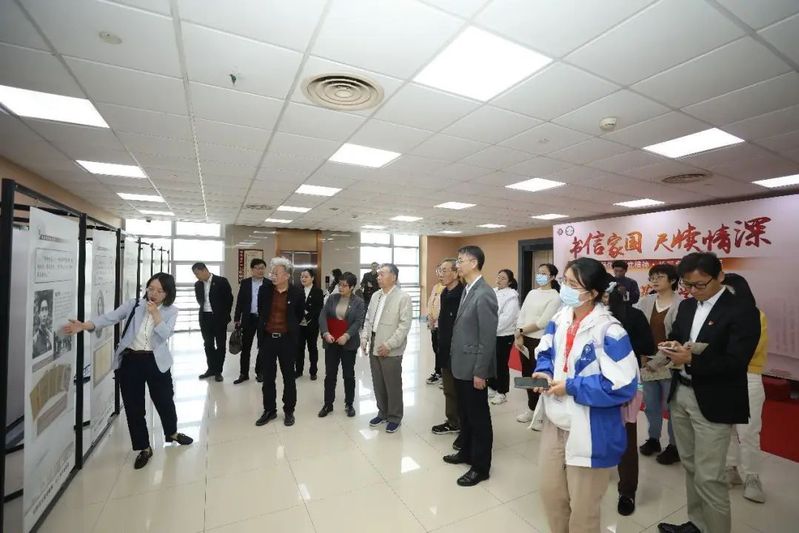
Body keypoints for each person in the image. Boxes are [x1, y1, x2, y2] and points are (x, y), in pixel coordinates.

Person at [532, 257, 638, 533]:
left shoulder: (610, 331)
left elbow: (623, 385)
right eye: (564, 281)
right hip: (555, 421)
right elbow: (545, 351)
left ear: (591, 294)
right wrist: (543, 372)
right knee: (551, 495)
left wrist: (572, 386)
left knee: (584, 510)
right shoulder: (560, 319)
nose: (565, 288)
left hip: (591, 428)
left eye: (572, 284)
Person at [657, 253, 760, 533]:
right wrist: (672, 346)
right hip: (681, 393)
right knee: (690, 466)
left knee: (710, 477)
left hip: (714, 399)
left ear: (720, 277)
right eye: (687, 285)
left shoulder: (741, 310)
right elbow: (678, 334)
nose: (692, 291)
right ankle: (698, 524)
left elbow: (736, 362)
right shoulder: (688, 306)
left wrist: (691, 359)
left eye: (699, 285)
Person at [62, 273, 192, 469]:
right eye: (151, 288)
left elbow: (165, 334)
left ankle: (172, 432)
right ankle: (144, 447)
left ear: (168, 293)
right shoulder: (134, 305)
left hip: (156, 362)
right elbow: (110, 317)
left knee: (165, 400)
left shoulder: (171, 311)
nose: (154, 293)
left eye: (159, 291)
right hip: (131, 360)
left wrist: (156, 315)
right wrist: (85, 325)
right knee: (133, 407)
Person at [443, 245, 498, 487]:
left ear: (474, 263)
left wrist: (480, 372)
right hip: (461, 364)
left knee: (479, 418)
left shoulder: (484, 293)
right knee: (465, 414)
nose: (457, 264)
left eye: (460, 260)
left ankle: (481, 467)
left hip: (474, 367)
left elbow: (487, 338)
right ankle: (465, 452)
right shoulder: (468, 289)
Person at [604, 281, 655, 517]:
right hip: (591, 384)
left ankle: (627, 491)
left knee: (625, 437)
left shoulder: (633, 316)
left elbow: (648, 346)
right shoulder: (585, 317)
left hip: (623, 385)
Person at [724, 273, 768, 504]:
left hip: (748, 376)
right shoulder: (717, 315)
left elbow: (749, 349)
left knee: (748, 431)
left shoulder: (756, 315)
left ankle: (752, 477)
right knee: (727, 428)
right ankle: (731, 469)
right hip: (723, 376)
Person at [636, 263, 681, 464]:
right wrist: (643, 357)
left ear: (673, 280)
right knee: (651, 405)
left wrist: (659, 360)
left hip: (670, 364)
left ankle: (674, 446)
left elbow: (678, 337)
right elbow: (636, 328)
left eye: (660, 277)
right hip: (646, 361)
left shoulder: (681, 305)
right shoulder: (645, 301)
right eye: (652, 277)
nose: (654, 281)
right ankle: (653, 438)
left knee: (672, 407)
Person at [361, 263, 412, 433]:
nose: (378, 277)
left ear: (394, 277)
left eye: (382, 274)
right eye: (378, 274)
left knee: (392, 384)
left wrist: (389, 344)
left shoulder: (403, 297)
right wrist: (365, 337)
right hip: (375, 343)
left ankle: (395, 417)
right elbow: (368, 319)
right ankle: (382, 412)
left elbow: (404, 326)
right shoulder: (376, 295)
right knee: (378, 382)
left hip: (391, 347)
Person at [254, 257, 305, 428]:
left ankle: (289, 410)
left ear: (287, 276)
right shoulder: (265, 290)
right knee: (268, 377)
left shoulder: (297, 293)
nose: (272, 276)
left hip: (287, 341)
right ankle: (269, 410)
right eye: (272, 273)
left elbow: (298, 315)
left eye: (276, 273)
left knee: (289, 377)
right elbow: (261, 311)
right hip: (268, 339)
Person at [514, 263, 561, 425]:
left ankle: (543, 414)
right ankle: (532, 408)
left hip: (540, 341)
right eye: (538, 272)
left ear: (552, 277)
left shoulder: (555, 296)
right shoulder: (532, 293)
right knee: (527, 375)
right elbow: (522, 314)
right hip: (524, 338)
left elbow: (542, 322)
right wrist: (519, 334)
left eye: (544, 273)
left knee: (540, 377)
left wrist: (520, 331)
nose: (540, 276)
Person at [318, 272, 365, 418]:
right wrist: (325, 333)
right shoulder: (332, 298)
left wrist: (346, 335)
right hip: (331, 341)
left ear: (352, 287)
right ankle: (328, 404)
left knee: (348, 375)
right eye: (340, 284)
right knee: (330, 375)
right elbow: (323, 316)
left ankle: (349, 403)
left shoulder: (358, 302)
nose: (341, 288)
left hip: (348, 343)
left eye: (345, 285)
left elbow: (358, 322)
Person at [431, 258, 465, 445]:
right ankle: (452, 421)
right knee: (449, 389)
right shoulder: (445, 292)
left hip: (458, 351)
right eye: (440, 270)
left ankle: (463, 426)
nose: (441, 274)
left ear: (455, 273)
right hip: (444, 349)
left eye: (444, 270)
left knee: (460, 392)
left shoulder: (462, 294)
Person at [193, 263, 233, 382]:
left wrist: (224, 315)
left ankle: (218, 371)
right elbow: (199, 300)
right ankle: (211, 368)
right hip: (205, 318)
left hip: (219, 318)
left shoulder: (221, 281)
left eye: (197, 273)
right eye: (195, 274)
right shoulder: (198, 285)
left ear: (204, 270)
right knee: (208, 344)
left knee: (220, 345)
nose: (196, 276)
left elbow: (229, 299)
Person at [488, 269, 520, 405]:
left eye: (503, 278)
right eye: (498, 277)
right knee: (491, 363)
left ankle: (502, 392)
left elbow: (506, 318)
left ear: (509, 282)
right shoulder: (493, 291)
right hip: (490, 333)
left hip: (503, 335)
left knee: (501, 364)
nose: (499, 280)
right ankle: (492, 387)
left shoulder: (512, 297)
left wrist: (490, 329)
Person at [233, 258, 267, 384]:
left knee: (262, 347)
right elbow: (240, 301)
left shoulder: (269, 283)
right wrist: (237, 318)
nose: (260, 270)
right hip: (248, 319)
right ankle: (244, 374)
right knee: (246, 347)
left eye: (262, 268)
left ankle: (260, 372)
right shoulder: (245, 283)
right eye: (257, 268)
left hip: (263, 319)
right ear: (252, 269)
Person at [297, 268, 324, 380]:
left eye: (306, 276)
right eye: (302, 276)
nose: (303, 278)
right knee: (299, 348)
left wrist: (307, 316)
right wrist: (300, 316)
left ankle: (313, 371)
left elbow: (319, 309)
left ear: (312, 278)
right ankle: (298, 370)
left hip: (312, 324)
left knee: (312, 348)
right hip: (299, 325)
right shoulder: (298, 290)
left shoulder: (318, 291)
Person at [425, 269, 445, 385]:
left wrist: (435, 318)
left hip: (441, 323)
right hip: (433, 324)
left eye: (442, 271)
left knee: (442, 350)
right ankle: (438, 372)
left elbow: (441, 307)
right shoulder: (436, 287)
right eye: (438, 272)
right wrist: (429, 317)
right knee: (436, 348)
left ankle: (444, 375)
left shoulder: (447, 288)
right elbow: (430, 303)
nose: (439, 274)